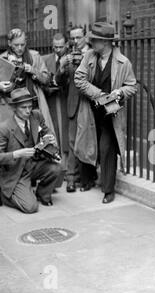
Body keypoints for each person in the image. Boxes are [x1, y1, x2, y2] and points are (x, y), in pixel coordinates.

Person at [74, 22, 137, 204]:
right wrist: (99, 94)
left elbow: (132, 86)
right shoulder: (89, 56)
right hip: (91, 109)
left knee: (107, 148)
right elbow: (79, 79)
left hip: (111, 113)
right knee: (87, 142)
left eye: (94, 40)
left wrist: (120, 92)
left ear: (105, 42)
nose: (91, 42)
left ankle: (108, 190)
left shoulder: (123, 62)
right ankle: (87, 180)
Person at [0, 87, 62, 214]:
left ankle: (42, 194)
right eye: (23, 108)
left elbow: (47, 131)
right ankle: (5, 195)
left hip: (34, 164)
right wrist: (16, 154)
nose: (28, 111)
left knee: (56, 168)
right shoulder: (4, 128)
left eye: (30, 106)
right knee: (30, 208)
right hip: (16, 171)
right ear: (14, 108)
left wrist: (50, 139)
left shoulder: (36, 115)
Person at [56, 26, 91, 193]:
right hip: (72, 104)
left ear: (85, 36)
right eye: (73, 38)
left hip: (89, 104)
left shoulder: (92, 54)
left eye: (78, 37)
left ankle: (86, 178)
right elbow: (60, 83)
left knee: (87, 142)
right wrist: (62, 68)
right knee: (72, 142)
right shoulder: (67, 56)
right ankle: (71, 178)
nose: (75, 41)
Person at [0, 28, 55, 135]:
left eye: (22, 44)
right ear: (9, 43)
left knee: (38, 135)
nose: (20, 48)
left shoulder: (34, 56)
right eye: (16, 45)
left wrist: (33, 70)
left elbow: (47, 80)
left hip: (33, 104)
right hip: (10, 105)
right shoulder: (2, 59)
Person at [42, 33, 69, 166]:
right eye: (55, 47)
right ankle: (56, 162)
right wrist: (48, 88)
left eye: (61, 47)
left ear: (66, 45)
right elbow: (42, 80)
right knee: (53, 130)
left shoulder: (70, 59)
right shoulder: (45, 60)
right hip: (51, 100)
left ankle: (67, 166)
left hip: (66, 100)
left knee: (66, 133)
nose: (58, 49)